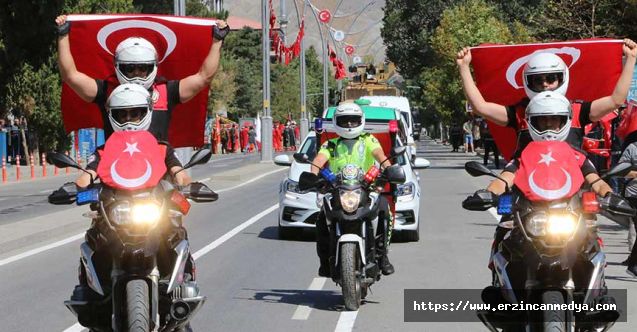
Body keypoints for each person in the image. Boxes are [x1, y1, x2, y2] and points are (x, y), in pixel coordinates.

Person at [70, 84, 198, 311]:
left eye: (135, 112)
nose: (129, 118)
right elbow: (87, 175)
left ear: (146, 113)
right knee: (93, 238)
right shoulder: (104, 150)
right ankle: (91, 291)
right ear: (113, 116)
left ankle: (184, 283)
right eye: (122, 114)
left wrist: (191, 186)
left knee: (178, 232)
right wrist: (74, 188)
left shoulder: (161, 148)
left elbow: (179, 173)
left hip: (152, 208)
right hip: (115, 212)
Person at [467, 92, 618, 278]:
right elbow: (504, 178)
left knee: (592, 244)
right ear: (531, 122)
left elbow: (596, 180)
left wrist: (610, 196)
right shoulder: (524, 155)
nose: (548, 125)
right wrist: (487, 193)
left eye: (554, 120)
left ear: (565, 122)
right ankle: (499, 286)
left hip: (570, 217)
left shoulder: (576, 156)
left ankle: (598, 290)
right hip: (530, 218)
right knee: (504, 240)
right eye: (542, 120)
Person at [55, 15, 230, 141]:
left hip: (160, 167)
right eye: (129, 68)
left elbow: (203, 77)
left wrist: (217, 40)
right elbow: (70, 76)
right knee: (84, 186)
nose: (136, 73)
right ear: (118, 67)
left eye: (143, 68)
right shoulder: (107, 90)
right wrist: (63, 35)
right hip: (114, 168)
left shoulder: (166, 91)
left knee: (183, 183)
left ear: (153, 66)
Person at [310, 102, 395, 277]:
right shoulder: (330, 144)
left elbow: (381, 156)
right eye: (345, 120)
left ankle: (382, 256)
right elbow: (318, 161)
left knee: (384, 209)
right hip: (338, 189)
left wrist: (389, 169)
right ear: (336, 122)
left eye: (353, 120)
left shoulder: (368, 139)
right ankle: (324, 262)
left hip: (365, 187)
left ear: (360, 121)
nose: (349, 124)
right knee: (321, 219)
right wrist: (313, 176)